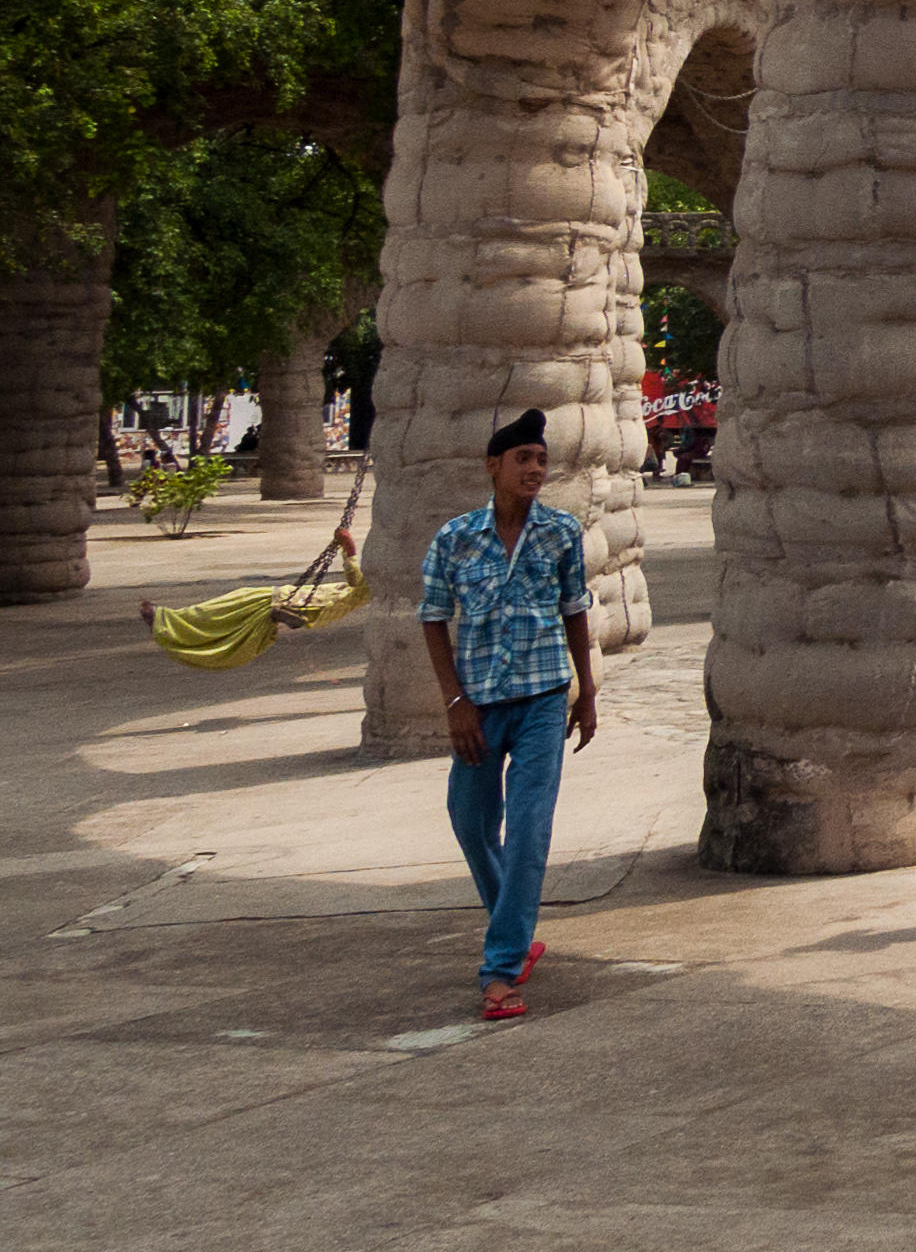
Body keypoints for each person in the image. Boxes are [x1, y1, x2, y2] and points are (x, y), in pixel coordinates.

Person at [417, 408, 598, 1021]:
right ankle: (513, 926)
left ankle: (500, 971)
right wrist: (454, 703)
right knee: (469, 821)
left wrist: (587, 691)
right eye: (524, 459)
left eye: (542, 460)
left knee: (528, 832)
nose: (536, 470)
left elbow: (575, 609)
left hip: (544, 700)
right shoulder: (455, 538)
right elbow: (433, 619)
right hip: (479, 707)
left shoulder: (560, 533)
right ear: (494, 466)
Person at [140, 515, 365, 668]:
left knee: (236, 605)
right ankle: (172, 624)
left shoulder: (391, 583)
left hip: (314, 603)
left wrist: (349, 549)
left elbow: (357, 582)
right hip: (312, 599)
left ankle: (169, 624)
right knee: (238, 609)